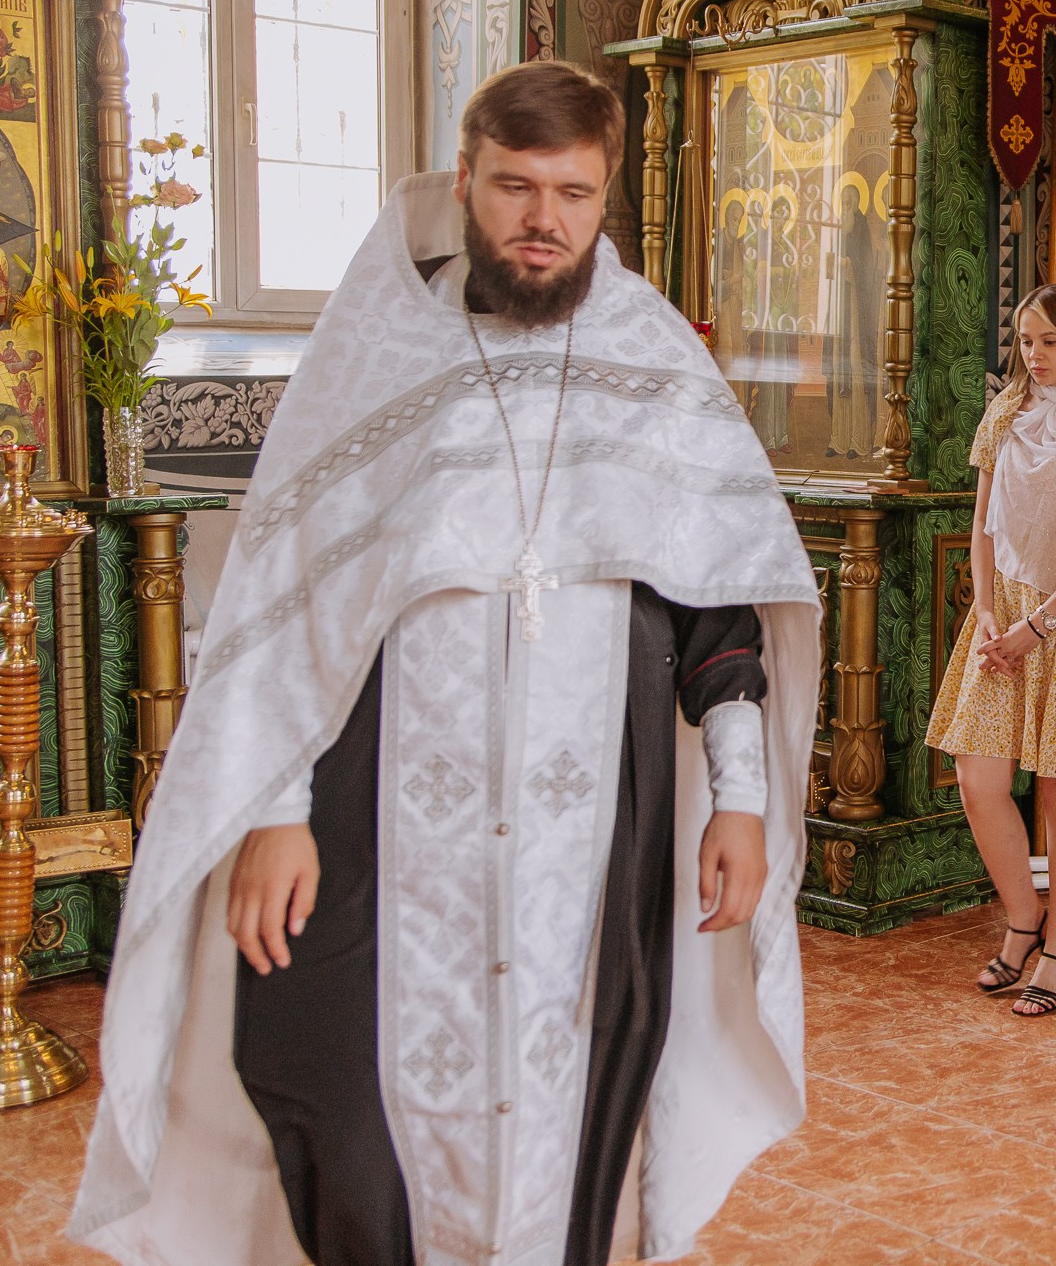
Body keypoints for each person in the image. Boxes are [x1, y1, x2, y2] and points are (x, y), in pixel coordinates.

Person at [70, 61, 824, 1266]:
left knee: (585, 1079)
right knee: (335, 1090)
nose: (543, 221)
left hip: (596, 829)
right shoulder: (377, 352)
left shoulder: (652, 359)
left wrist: (738, 797)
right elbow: (290, 601)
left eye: (573, 193)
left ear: (606, 197)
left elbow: (717, 601)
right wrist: (275, 810)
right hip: (376, 816)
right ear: (464, 179)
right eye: (515, 186)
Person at [926, 283, 1056, 1018]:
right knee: (977, 777)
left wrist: (1037, 627)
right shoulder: (1006, 410)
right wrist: (988, 611)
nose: (1036, 355)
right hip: (1004, 613)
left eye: (1051, 340)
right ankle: (1024, 919)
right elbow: (982, 522)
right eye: (1025, 341)